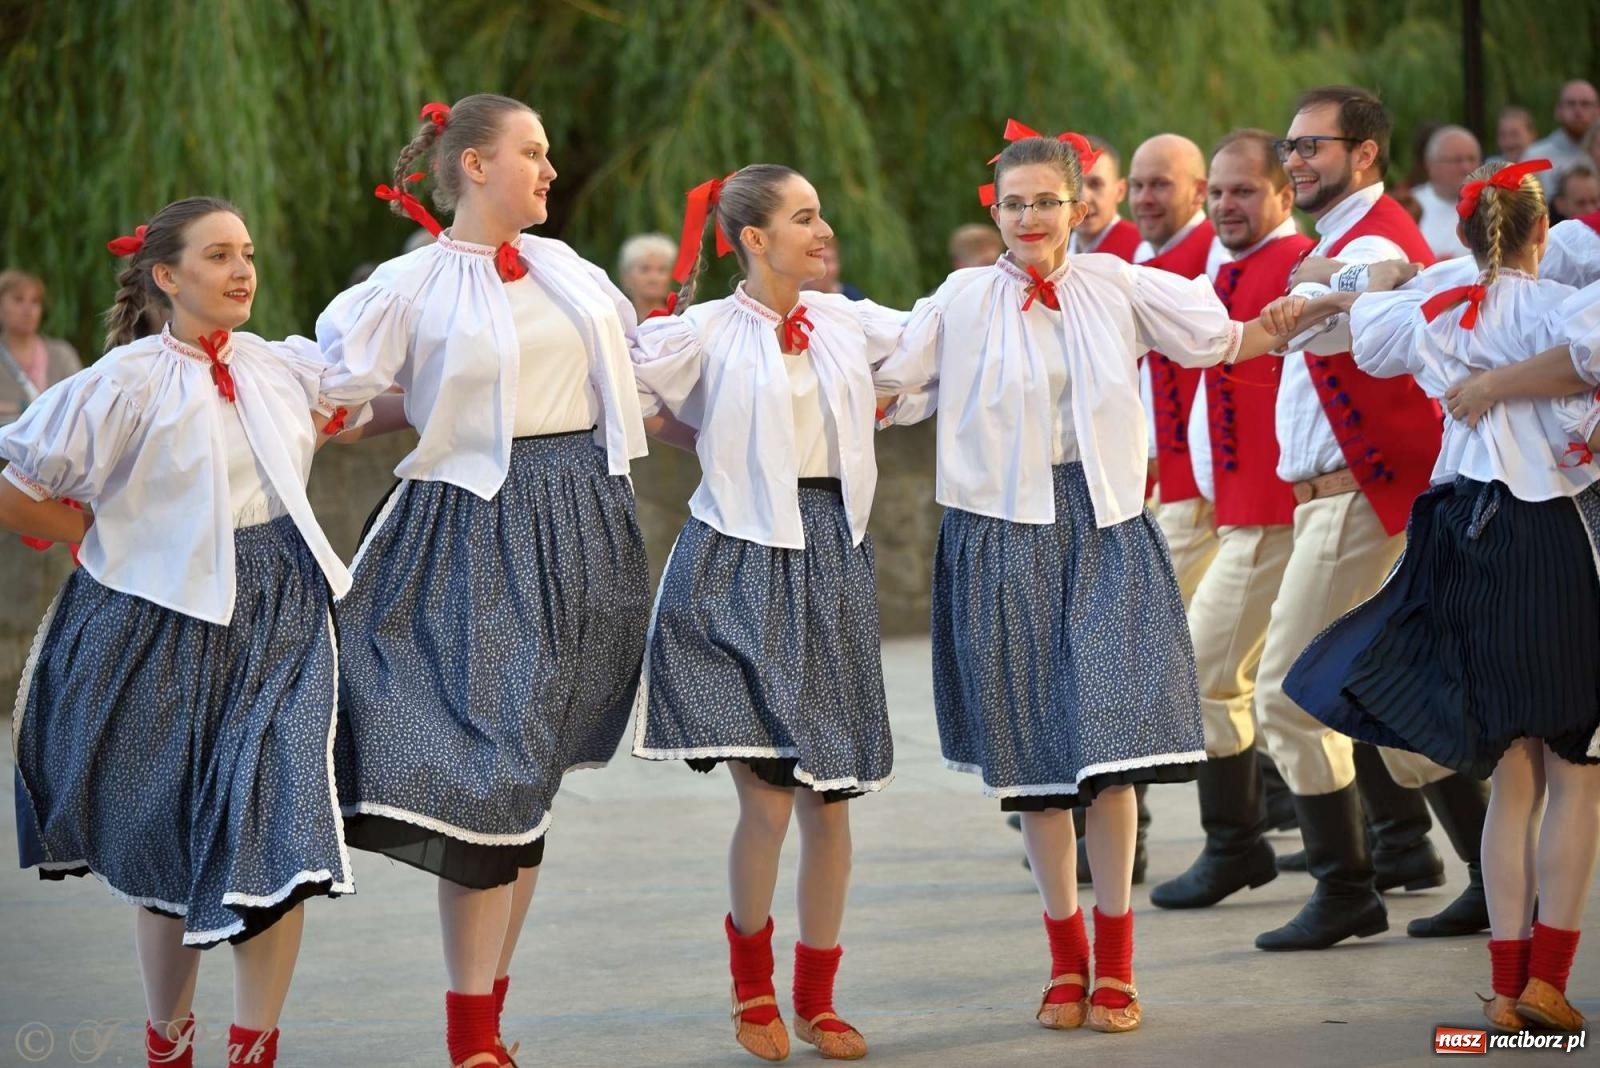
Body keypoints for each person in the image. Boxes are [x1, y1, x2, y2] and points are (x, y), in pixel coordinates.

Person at [872, 129, 1300, 1034]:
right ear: (995, 213)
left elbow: (1223, 341)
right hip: (1000, 535)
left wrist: (1313, 312)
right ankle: (1064, 956)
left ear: (1079, 208)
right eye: (1013, 204)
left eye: (1046, 201)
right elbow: (894, 387)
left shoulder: (1118, 284)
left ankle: (1118, 960)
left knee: (1111, 749)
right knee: (1038, 761)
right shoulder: (960, 298)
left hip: (1105, 527)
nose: (1029, 218)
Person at [315, 95, 652, 1068]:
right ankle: (471, 1037)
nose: (549, 170)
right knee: (487, 778)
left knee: (529, 776)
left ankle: (488, 1020)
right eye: (532, 153)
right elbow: (351, 391)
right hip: (473, 532)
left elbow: (641, 372)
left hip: (582, 525)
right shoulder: (409, 284)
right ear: (472, 166)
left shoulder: (571, 271)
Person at [0, 197, 358, 1068]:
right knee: (168, 838)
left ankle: (253, 1048)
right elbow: (15, 479)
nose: (242, 271)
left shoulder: (280, 366)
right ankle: (169, 1041)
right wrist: (87, 530)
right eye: (217, 256)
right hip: (161, 623)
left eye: (247, 252)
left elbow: (369, 381)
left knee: (276, 819)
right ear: (167, 276)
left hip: (281, 616)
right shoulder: (120, 381)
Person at [1276, 159, 1598, 1032]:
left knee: (1515, 769)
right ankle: (1549, 981)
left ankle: (1502, 984)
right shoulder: (1566, 306)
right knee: (1577, 767)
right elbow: (1589, 356)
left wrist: (1360, 286)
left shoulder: (1434, 307)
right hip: (1550, 536)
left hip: (1459, 532)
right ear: (1541, 232)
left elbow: (1366, 325)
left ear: (1463, 234)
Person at [632, 164, 911, 1063]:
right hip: (735, 562)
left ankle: (818, 996)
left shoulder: (848, 321)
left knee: (830, 803)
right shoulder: (703, 331)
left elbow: (947, 351)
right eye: (803, 218)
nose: (822, 231)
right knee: (768, 800)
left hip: (831, 559)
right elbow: (620, 403)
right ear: (753, 238)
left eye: (820, 215)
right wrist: (707, 430)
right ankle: (750, 986)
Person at [1147, 130, 1312, 911]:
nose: (1224, 205)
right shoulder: (1224, 267)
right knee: (1267, 682)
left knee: (1214, 672)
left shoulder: (1299, 264)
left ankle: (1243, 845)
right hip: (1235, 504)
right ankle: (1388, 851)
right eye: (1216, 192)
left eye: (1241, 190)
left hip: (1275, 507)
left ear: (1283, 193)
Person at [0, 269, 81, 427]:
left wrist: (16, 408)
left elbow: (79, 402)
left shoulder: (62, 354)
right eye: (18, 300)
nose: (28, 309)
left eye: (35, 301)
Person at [1412, 126, 1482, 258]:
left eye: (1472, 159)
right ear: (1430, 164)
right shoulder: (1411, 205)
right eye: (1456, 160)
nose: (1466, 167)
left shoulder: (1494, 203)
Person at [1526, 80, 1599, 197]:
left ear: (1598, 111)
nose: (1578, 111)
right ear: (1558, 111)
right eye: (1571, 104)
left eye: (1585, 104)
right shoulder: (1535, 157)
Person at [617, 231, 676, 320]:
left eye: (662, 270)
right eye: (645, 269)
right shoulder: (616, 319)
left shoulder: (684, 319)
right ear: (627, 276)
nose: (654, 278)